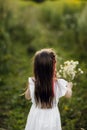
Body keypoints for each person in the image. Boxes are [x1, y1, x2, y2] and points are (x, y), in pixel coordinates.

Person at [24, 48, 73, 130]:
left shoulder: (32, 82)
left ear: (36, 68)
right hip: (52, 117)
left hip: (35, 115)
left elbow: (27, 97)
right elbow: (68, 95)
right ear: (53, 66)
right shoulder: (58, 83)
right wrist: (69, 87)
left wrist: (29, 88)